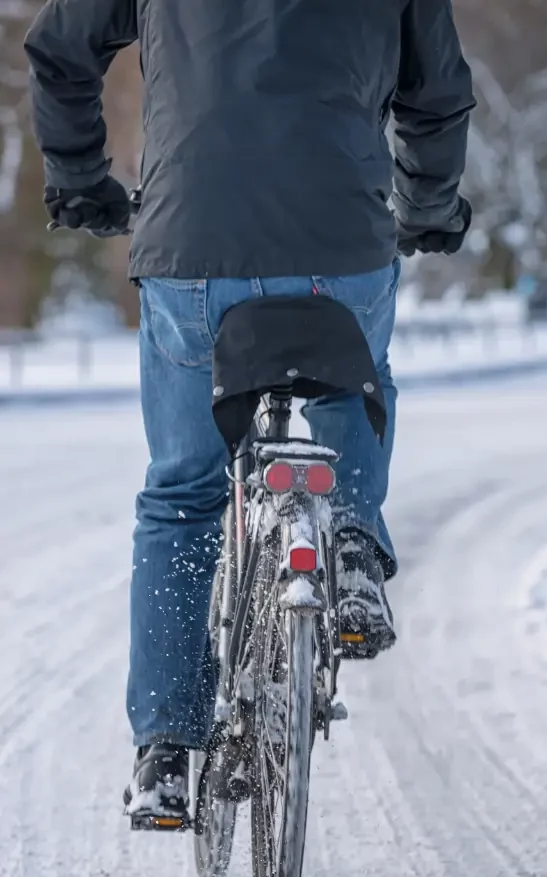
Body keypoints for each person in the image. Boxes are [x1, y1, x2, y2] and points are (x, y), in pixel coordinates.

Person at [25, 0, 474, 817]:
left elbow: (61, 51)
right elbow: (437, 94)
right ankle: (349, 545)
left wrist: (82, 179)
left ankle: (165, 747)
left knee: (183, 494)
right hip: (339, 250)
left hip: (192, 249)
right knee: (358, 370)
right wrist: (431, 207)